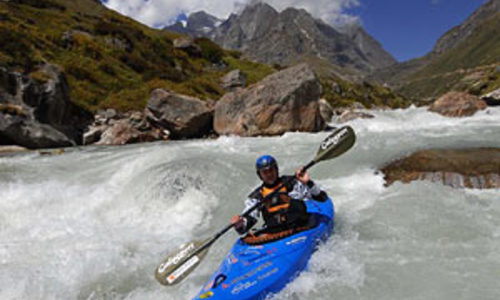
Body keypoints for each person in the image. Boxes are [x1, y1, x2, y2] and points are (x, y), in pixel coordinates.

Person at [230, 155, 328, 236]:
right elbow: (247, 222)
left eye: (271, 170)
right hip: (276, 233)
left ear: (276, 170)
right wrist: (239, 224)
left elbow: (321, 198)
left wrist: (308, 183)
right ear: (260, 175)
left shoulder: (292, 183)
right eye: (265, 172)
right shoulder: (257, 196)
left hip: (300, 227)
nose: (269, 174)